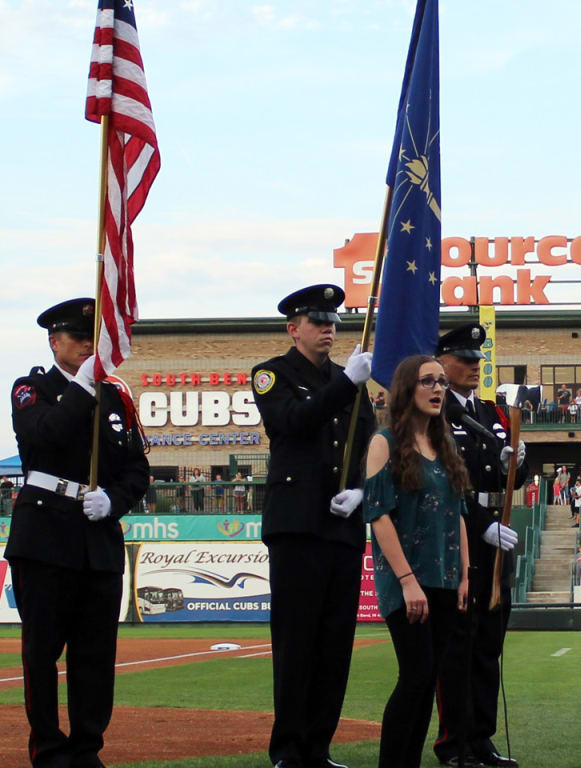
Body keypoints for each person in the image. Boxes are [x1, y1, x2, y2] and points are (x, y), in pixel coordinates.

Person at [6, 297, 150, 768]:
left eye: (94, 339)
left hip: (98, 535)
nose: (88, 345)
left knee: (95, 654)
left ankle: (88, 747)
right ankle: (48, 748)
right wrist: (84, 386)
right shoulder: (33, 388)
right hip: (45, 534)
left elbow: (137, 468)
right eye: (78, 337)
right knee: (42, 651)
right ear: (54, 342)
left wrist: (115, 499)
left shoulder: (117, 396)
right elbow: (42, 435)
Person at [252, 284, 377, 768]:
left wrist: (364, 489)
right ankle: (288, 748)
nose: (329, 329)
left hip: (343, 525)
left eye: (333, 322)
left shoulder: (351, 380)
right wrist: (347, 383)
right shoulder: (271, 375)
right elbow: (294, 421)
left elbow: (367, 441)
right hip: (298, 525)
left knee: (334, 645)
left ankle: (319, 747)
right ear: (293, 328)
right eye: (318, 322)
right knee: (296, 642)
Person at [363, 355, 471, 768]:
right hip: (407, 581)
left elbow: (457, 513)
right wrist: (407, 580)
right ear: (408, 389)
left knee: (427, 682)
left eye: (442, 381)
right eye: (428, 381)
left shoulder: (445, 445)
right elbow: (378, 514)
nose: (439, 388)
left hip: (445, 580)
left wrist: (464, 574)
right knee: (415, 676)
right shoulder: (384, 442)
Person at [432, 324, 523, 768]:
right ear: (442, 362)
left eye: (477, 359)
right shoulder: (434, 411)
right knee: (458, 645)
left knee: (488, 644)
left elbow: (510, 479)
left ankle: (481, 740)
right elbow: (446, 483)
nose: (474, 366)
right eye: (465, 359)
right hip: (459, 534)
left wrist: (516, 465)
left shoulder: (493, 413)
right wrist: (482, 523)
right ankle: (454, 743)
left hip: (494, 538)